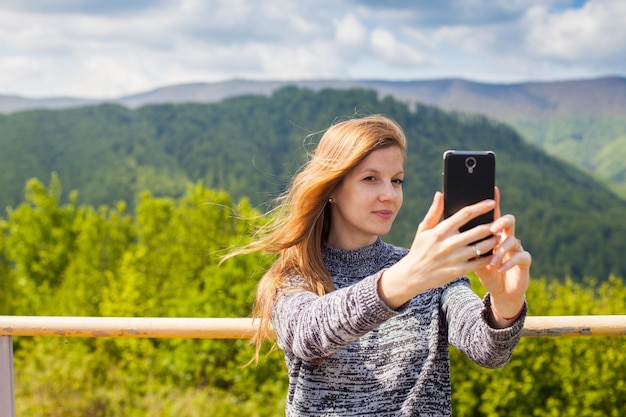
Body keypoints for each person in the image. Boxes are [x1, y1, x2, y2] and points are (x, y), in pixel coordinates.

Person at [232, 114, 531, 416]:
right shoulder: (295, 277)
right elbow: (310, 335)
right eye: (370, 178)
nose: (389, 195)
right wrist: (409, 276)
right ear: (332, 188)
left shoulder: (426, 269)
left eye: (396, 180)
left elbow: (488, 351)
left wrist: (505, 305)